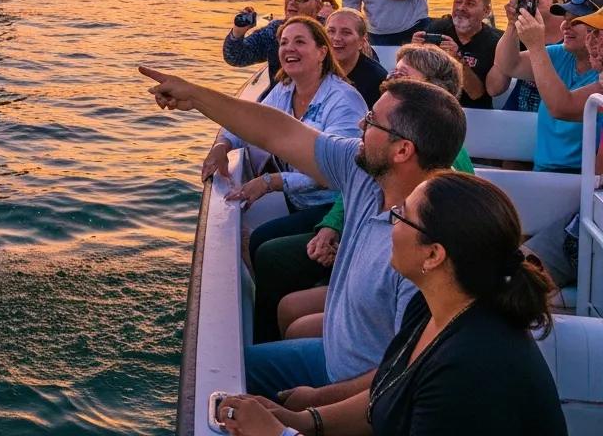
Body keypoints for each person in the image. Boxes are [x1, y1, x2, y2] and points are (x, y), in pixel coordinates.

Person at [140, 66, 466, 402]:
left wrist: (312, 407)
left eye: (372, 121)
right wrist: (194, 94)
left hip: (357, 389)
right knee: (221, 370)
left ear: (402, 151)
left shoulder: (429, 249)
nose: (360, 125)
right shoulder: (368, 175)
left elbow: (406, 378)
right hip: (334, 353)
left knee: (218, 389)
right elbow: (279, 133)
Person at [218, 173, 567, 436]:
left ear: (433, 255)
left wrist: (278, 435)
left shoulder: (468, 371)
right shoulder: (435, 307)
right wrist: (305, 421)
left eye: (401, 215)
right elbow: (387, 393)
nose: (390, 221)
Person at [252, 43, 474, 344]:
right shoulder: (383, 139)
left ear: (431, 92)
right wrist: (331, 226)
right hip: (355, 248)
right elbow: (359, 187)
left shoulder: (439, 162)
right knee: (285, 295)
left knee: (275, 264)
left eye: (403, 76)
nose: (391, 78)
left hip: (387, 290)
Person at [208, 20, 367, 254]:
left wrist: (269, 182)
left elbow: (336, 170)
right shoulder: (285, 89)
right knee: (252, 240)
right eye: (283, 43)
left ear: (322, 52)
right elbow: (252, 121)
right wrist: (224, 144)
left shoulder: (343, 101)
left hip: (338, 206)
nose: (289, 48)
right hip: (299, 201)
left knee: (262, 243)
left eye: (299, 42)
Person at [494, 0, 603, 171]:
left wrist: (536, 45)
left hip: (579, 176)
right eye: (565, 19)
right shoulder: (560, 53)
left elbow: (561, 108)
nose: (566, 26)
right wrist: (513, 24)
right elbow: (508, 65)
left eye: (577, 21)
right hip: (545, 171)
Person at [486, 0, 572, 111]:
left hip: (552, 117)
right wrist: (512, 23)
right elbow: (494, 88)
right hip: (517, 114)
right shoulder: (521, 35)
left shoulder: (571, 39)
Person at [224, 0, 332, 78]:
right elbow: (235, 57)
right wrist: (238, 32)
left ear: (318, 7)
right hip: (280, 95)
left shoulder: (330, 32)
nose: (292, 2)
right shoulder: (273, 31)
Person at [414, 0, 501, 109]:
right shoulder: (437, 28)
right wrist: (414, 52)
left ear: (486, 11)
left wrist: (457, 60)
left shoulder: (494, 42)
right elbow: (419, 77)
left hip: (474, 112)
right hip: (436, 106)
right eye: (458, 2)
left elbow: (476, 94)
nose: (461, 8)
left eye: (470, 4)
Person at [325, 9, 387, 108]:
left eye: (346, 33)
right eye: (331, 31)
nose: (336, 38)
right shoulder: (314, 68)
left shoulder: (377, 80)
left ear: (361, 42)